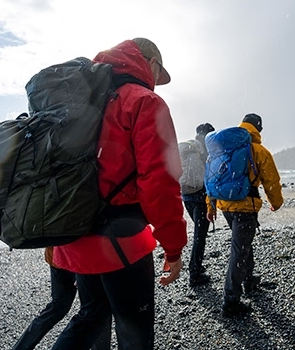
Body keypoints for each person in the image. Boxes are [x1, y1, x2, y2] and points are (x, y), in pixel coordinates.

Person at [51, 38, 187, 350]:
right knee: (134, 334)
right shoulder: (144, 102)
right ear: (150, 63)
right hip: (122, 241)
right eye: (158, 75)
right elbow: (160, 181)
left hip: (75, 232)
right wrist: (174, 247)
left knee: (92, 318)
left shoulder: (85, 102)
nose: (156, 84)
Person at [206, 113, 284, 317]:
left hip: (224, 205)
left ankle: (249, 280)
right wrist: (276, 202)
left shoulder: (224, 148)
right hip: (245, 207)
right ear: (258, 128)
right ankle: (230, 301)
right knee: (239, 251)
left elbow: (212, 180)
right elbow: (272, 180)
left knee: (242, 245)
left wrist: (211, 206)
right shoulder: (258, 150)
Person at [12, 247, 111, 350]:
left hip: (56, 257)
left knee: (58, 306)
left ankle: (20, 347)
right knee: (95, 311)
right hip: (79, 260)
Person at [181, 123, 215, 287]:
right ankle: (194, 273)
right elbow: (210, 176)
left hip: (186, 196)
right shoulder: (205, 151)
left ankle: (196, 268)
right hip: (201, 198)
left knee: (198, 234)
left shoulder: (187, 148)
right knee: (199, 236)